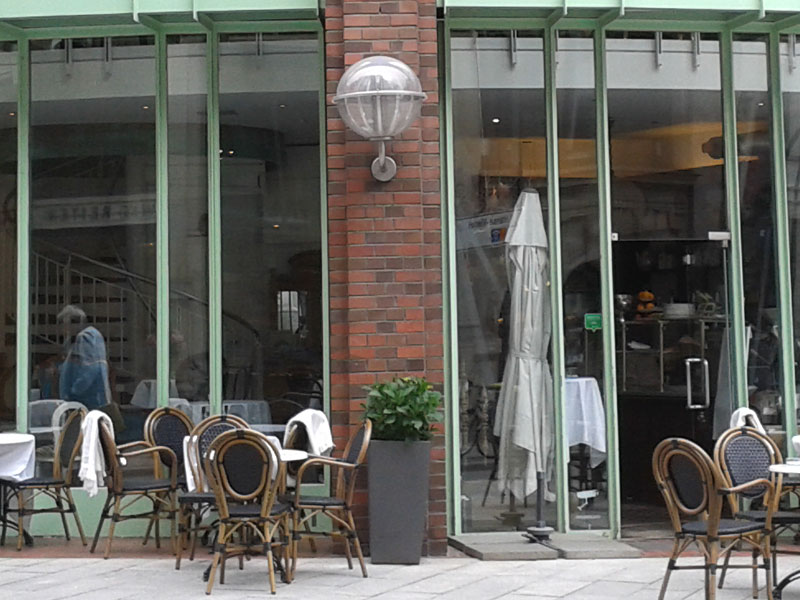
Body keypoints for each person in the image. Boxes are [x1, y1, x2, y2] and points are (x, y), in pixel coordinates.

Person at [59, 325, 111, 410]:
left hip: (85, 408)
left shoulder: (94, 365)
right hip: (85, 408)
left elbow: (78, 388)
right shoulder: (100, 364)